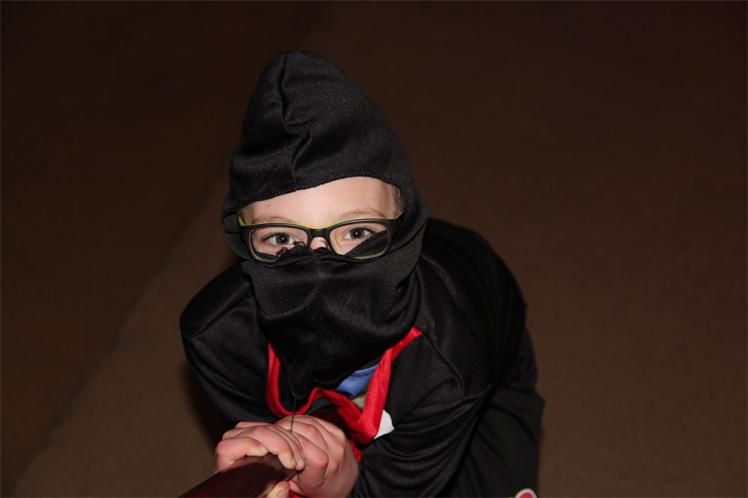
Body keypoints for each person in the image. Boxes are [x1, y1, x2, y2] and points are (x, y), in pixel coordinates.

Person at [180, 50, 544, 498]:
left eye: (357, 232)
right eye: (282, 238)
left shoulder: (451, 356)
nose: (319, 266)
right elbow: (281, 449)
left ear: (405, 227)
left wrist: (343, 486)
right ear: (242, 241)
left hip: (486, 363)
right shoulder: (219, 339)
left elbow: (397, 491)